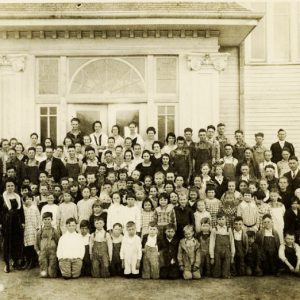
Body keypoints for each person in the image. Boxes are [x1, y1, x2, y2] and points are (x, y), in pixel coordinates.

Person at [0, 179, 25, 273]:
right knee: (7, 242)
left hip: (16, 222)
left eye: (12, 186)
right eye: (8, 186)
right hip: (6, 222)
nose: (10, 187)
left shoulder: (18, 196)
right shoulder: (2, 197)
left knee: (17, 241)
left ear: (15, 187)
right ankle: (7, 264)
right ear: (5, 187)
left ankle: (15, 262)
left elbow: (21, 211)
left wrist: (23, 222)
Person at [209, 212, 235, 279]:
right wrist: (212, 256)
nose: (221, 221)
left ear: (226, 220)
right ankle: (217, 272)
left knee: (225, 274)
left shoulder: (228, 229)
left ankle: (226, 273)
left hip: (226, 251)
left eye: (223, 219)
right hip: (217, 251)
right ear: (217, 220)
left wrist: (232, 255)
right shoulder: (214, 230)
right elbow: (211, 243)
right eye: (219, 219)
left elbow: (232, 242)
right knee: (216, 273)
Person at [36, 212, 60, 278]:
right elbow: (36, 243)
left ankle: (53, 270)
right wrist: (38, 251)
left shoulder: (54, 231)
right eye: (45, 219)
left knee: (52, 275)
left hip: (53, 253)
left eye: (49, 219)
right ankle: (44, 269)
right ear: (42, 220)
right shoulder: (40, 231)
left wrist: (57, 252)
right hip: (43, 253)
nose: (47, 221)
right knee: (44, 274)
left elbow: (58, 242)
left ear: (51, 220)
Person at [23, 193, 40, 269]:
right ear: (24, 200)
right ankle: (27, 260)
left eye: (30, 199)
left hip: (33, 228)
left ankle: (33, 261)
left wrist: (38, 227)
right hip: (26, 228)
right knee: (26, 246)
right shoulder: (23, 208)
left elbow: (38, 218)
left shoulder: (35, 208)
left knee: (33, 245)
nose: (28, 200)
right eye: (26, 199)